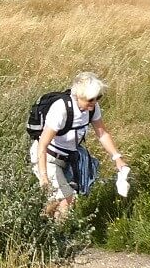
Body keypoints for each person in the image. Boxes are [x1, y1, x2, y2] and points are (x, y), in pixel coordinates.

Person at [30, 72, 126, 221]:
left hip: (69, 157)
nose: (93, 102)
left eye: (97, 98)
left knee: (56, 200)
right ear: (77, 96)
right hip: (47, 156)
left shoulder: (93, 108)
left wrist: (117, 157)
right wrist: (43, 175)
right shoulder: (61, 109)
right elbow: (42, 144)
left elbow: (102, 134)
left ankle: (36, 223)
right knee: (68, 199)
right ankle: (58, 237)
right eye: (90, 100)